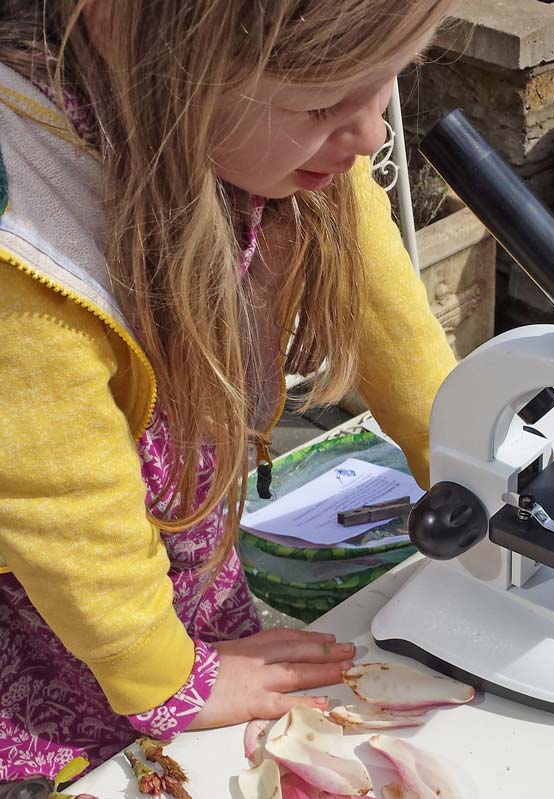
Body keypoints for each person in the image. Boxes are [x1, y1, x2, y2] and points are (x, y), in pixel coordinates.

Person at [0, 0, 455, 782]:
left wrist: (460, 453)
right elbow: (58, 504)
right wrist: (171, 679)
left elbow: (388, 310)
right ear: (137, 41)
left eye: (389, 82)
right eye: (321, 103)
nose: (372, 136)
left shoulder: (249, 125)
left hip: (175, 592)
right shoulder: (26, 239)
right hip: (59, 634)